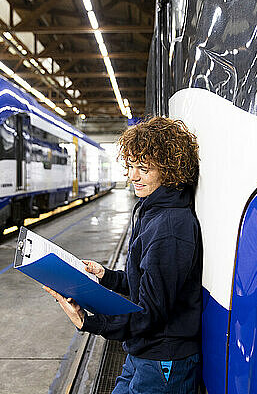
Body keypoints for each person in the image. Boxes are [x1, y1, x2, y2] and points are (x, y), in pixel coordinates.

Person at [43, 116, 202, 393]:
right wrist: (107, 277)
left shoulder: (170, 228)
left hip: (163, 360)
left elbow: (151, 313)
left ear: (170, 170)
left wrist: (89, 321)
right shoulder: (151, 210)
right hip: (142, 351)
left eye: (143, 168)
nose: (133, 177)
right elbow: (147, 282)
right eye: (130, 166)